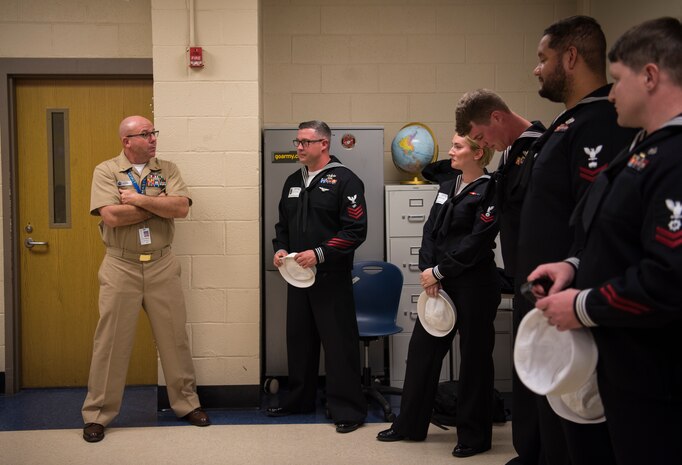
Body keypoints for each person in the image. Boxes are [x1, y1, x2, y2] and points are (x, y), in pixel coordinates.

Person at [528, 17, 682, 465]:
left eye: (617, 80)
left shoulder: (673, 158)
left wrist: (580, 305)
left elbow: (668, 279)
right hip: (620, 362)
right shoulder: (640, 149)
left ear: (650, 76)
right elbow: (614, 236)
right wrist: (573, 265)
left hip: (657, 373)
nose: (610, 93)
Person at [515, 16, 638, 465]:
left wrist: (576, 283)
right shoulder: (566, 124)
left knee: (576, 429)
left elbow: (596, 221)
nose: (536, 69)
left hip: (571, 301)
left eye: (542, 58)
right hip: (548, 295)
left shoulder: (600, 123)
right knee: (553, 421)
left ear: (570, 57)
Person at [82, 116, 209, 443]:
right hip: (120, 266)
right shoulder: (107, 171)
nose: (153, 138)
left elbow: (180, 208)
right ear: (127, 141)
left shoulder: (167, 168)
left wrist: (138, 200)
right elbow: (110, 215)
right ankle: (98, 414)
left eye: (154, 132)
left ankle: (187, 404)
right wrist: (159, 205)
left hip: (162, 264)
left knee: (174, 338)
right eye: (145, 134)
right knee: (110, 342)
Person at [376, 133, 500, 458]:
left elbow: (476, 241)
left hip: (473, 285)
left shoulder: (490, 189)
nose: (450, 151)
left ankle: (474, 436)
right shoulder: (448, 186)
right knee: (421, 354)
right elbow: (430, 230)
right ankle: (409, 426)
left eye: (457, 146)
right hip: (439, 284)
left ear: (479, 151)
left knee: (474, 361)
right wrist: (427, 270)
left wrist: (440, 271)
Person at [454, 89, 546, 464]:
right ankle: (530, 449)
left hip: (542, 276)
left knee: (541, 367)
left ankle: (543, 451)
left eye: (480, 136)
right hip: (520, 274)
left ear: (496, 117)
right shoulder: (510, 155)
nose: (483, 145)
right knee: (525, 365)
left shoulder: (543, 147)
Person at [268, 120, 367, 434]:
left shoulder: (346, 181)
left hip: (331, 276)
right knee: (299, 341)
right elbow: (282, 226)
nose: (298, 147)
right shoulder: (292, 181)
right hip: (297, 277)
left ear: (324, 144)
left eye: (305, 142)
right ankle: (299, 399)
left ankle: (348, 408)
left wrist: (320, 253)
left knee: (339, 344)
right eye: (297, 142)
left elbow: (355, 231)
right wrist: (281, 249)